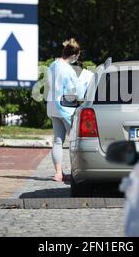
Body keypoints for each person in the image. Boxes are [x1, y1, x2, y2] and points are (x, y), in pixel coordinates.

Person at [45, 38, 86, 181]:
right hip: (65, 109)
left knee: (57, 141)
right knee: (75, 141)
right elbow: (78, 93)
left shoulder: (52, 65)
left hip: (52, 107)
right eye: (78, 56)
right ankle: (77, 173)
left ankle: (58, 173)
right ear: (74, 55)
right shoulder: (68, 70)